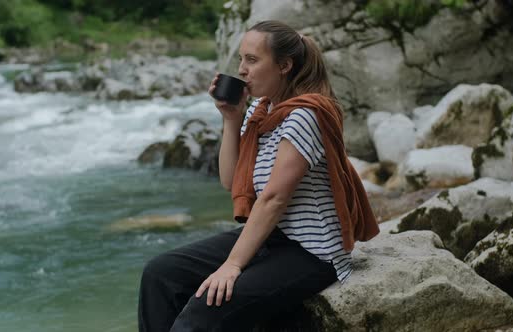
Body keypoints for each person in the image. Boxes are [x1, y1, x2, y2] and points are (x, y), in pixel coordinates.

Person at [138, 20, 379, 332]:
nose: (241, 70)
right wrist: (231, 118)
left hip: (312, 253)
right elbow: (230, 181)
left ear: (284, 65)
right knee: (160, 274)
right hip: (272, 238)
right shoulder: (260, 112)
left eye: (251, 60)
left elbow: (273, 199)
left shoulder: (306, 115)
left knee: (204, 308)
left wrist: (233, 265)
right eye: (240, 59)